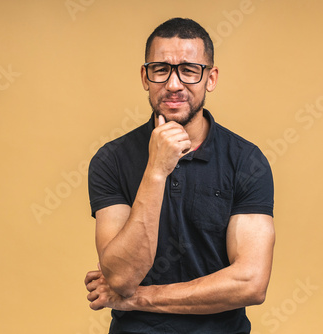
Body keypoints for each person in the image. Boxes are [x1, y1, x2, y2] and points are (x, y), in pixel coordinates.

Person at [84, 17, 275, 333]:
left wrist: (137, 299)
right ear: (145, 77)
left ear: (210, 78)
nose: (174, 84)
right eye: (161, 69)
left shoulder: (247, 161)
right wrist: (156, 170)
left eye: (189, 70)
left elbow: (250, 283)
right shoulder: (111, 159)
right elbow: (121, 277)